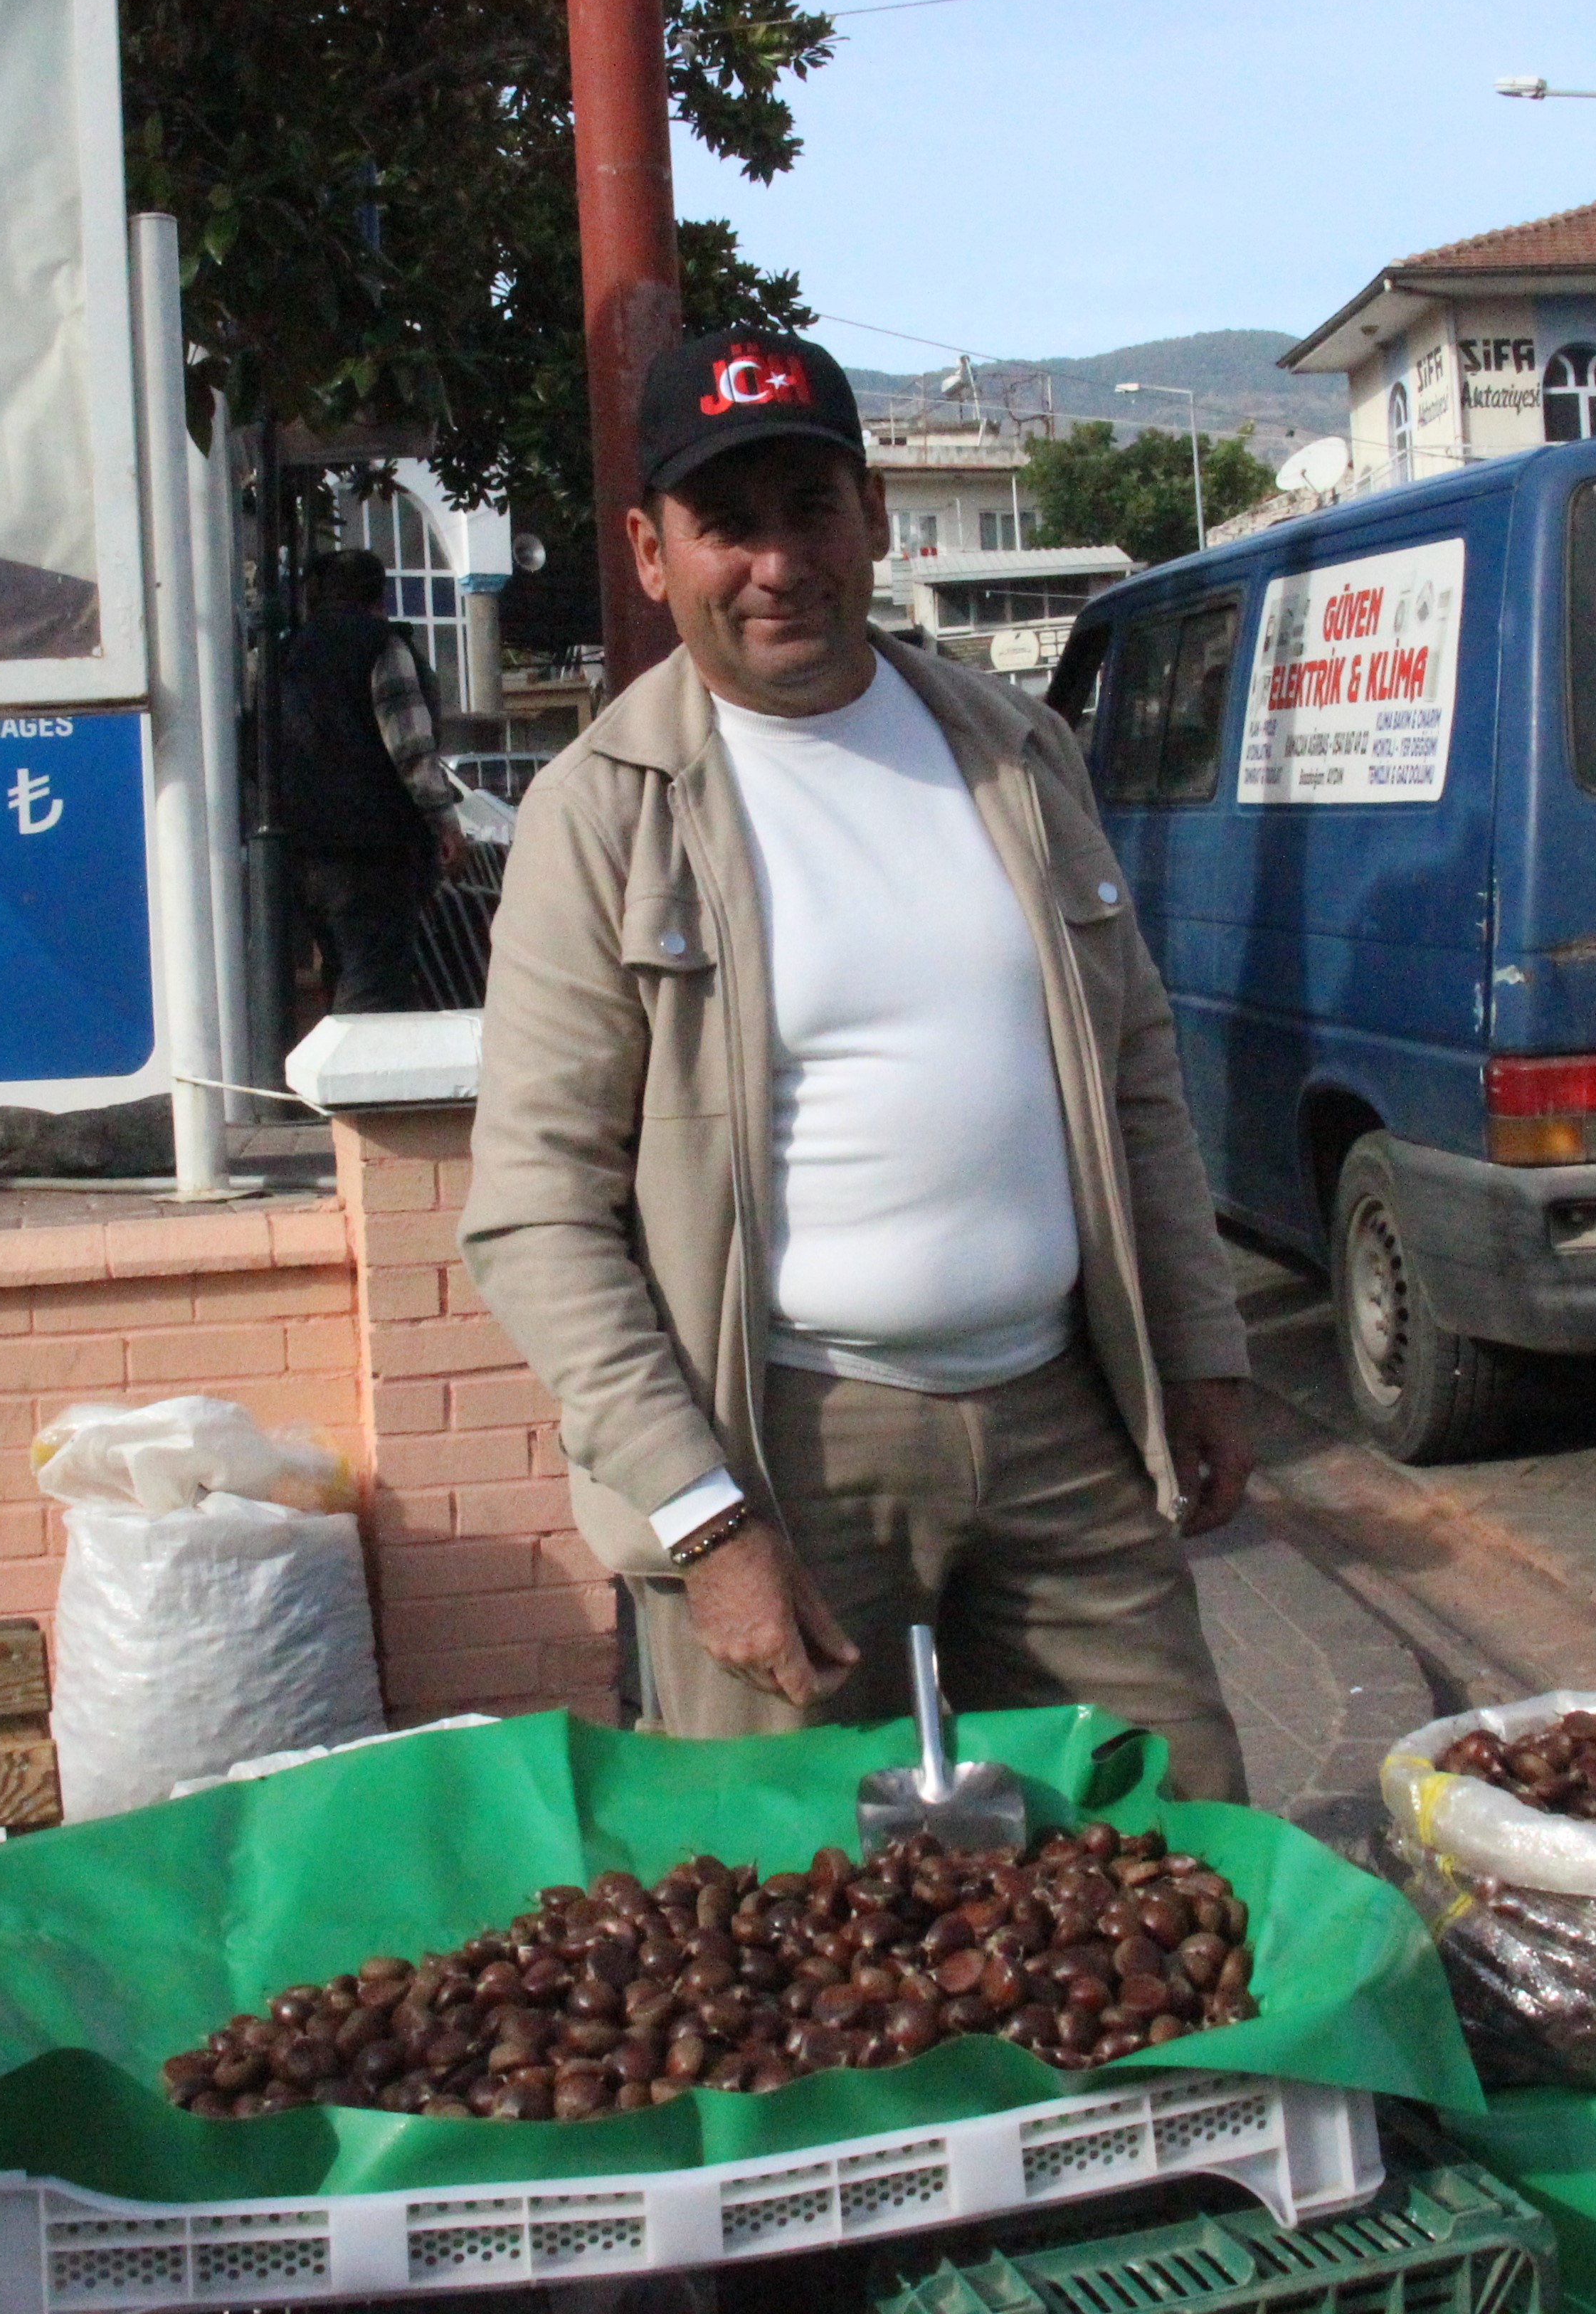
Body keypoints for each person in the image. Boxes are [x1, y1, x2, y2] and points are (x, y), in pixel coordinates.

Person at [460, 329, 1258, 1800]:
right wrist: (705, 1520)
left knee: (1177, 1832)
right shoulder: (605, 813)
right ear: (651, 553)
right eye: (728, 524)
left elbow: (1133, 1075)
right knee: (792, 1907)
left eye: (811, 508)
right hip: (785, 1446)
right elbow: (535, 1210)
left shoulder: (1015, 751)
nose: (779, 562)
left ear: (874, 515)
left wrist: (1202, 1351)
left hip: (1058, 1412)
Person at [276, 547, 465, 1013]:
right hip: (376, 851)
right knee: (375, 979)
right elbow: (411, 747)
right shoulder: (382, 647)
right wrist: (446, 824)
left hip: (304, 849)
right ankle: (367, 1083)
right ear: (379, 595)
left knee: (340, 966)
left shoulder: (285, 656)